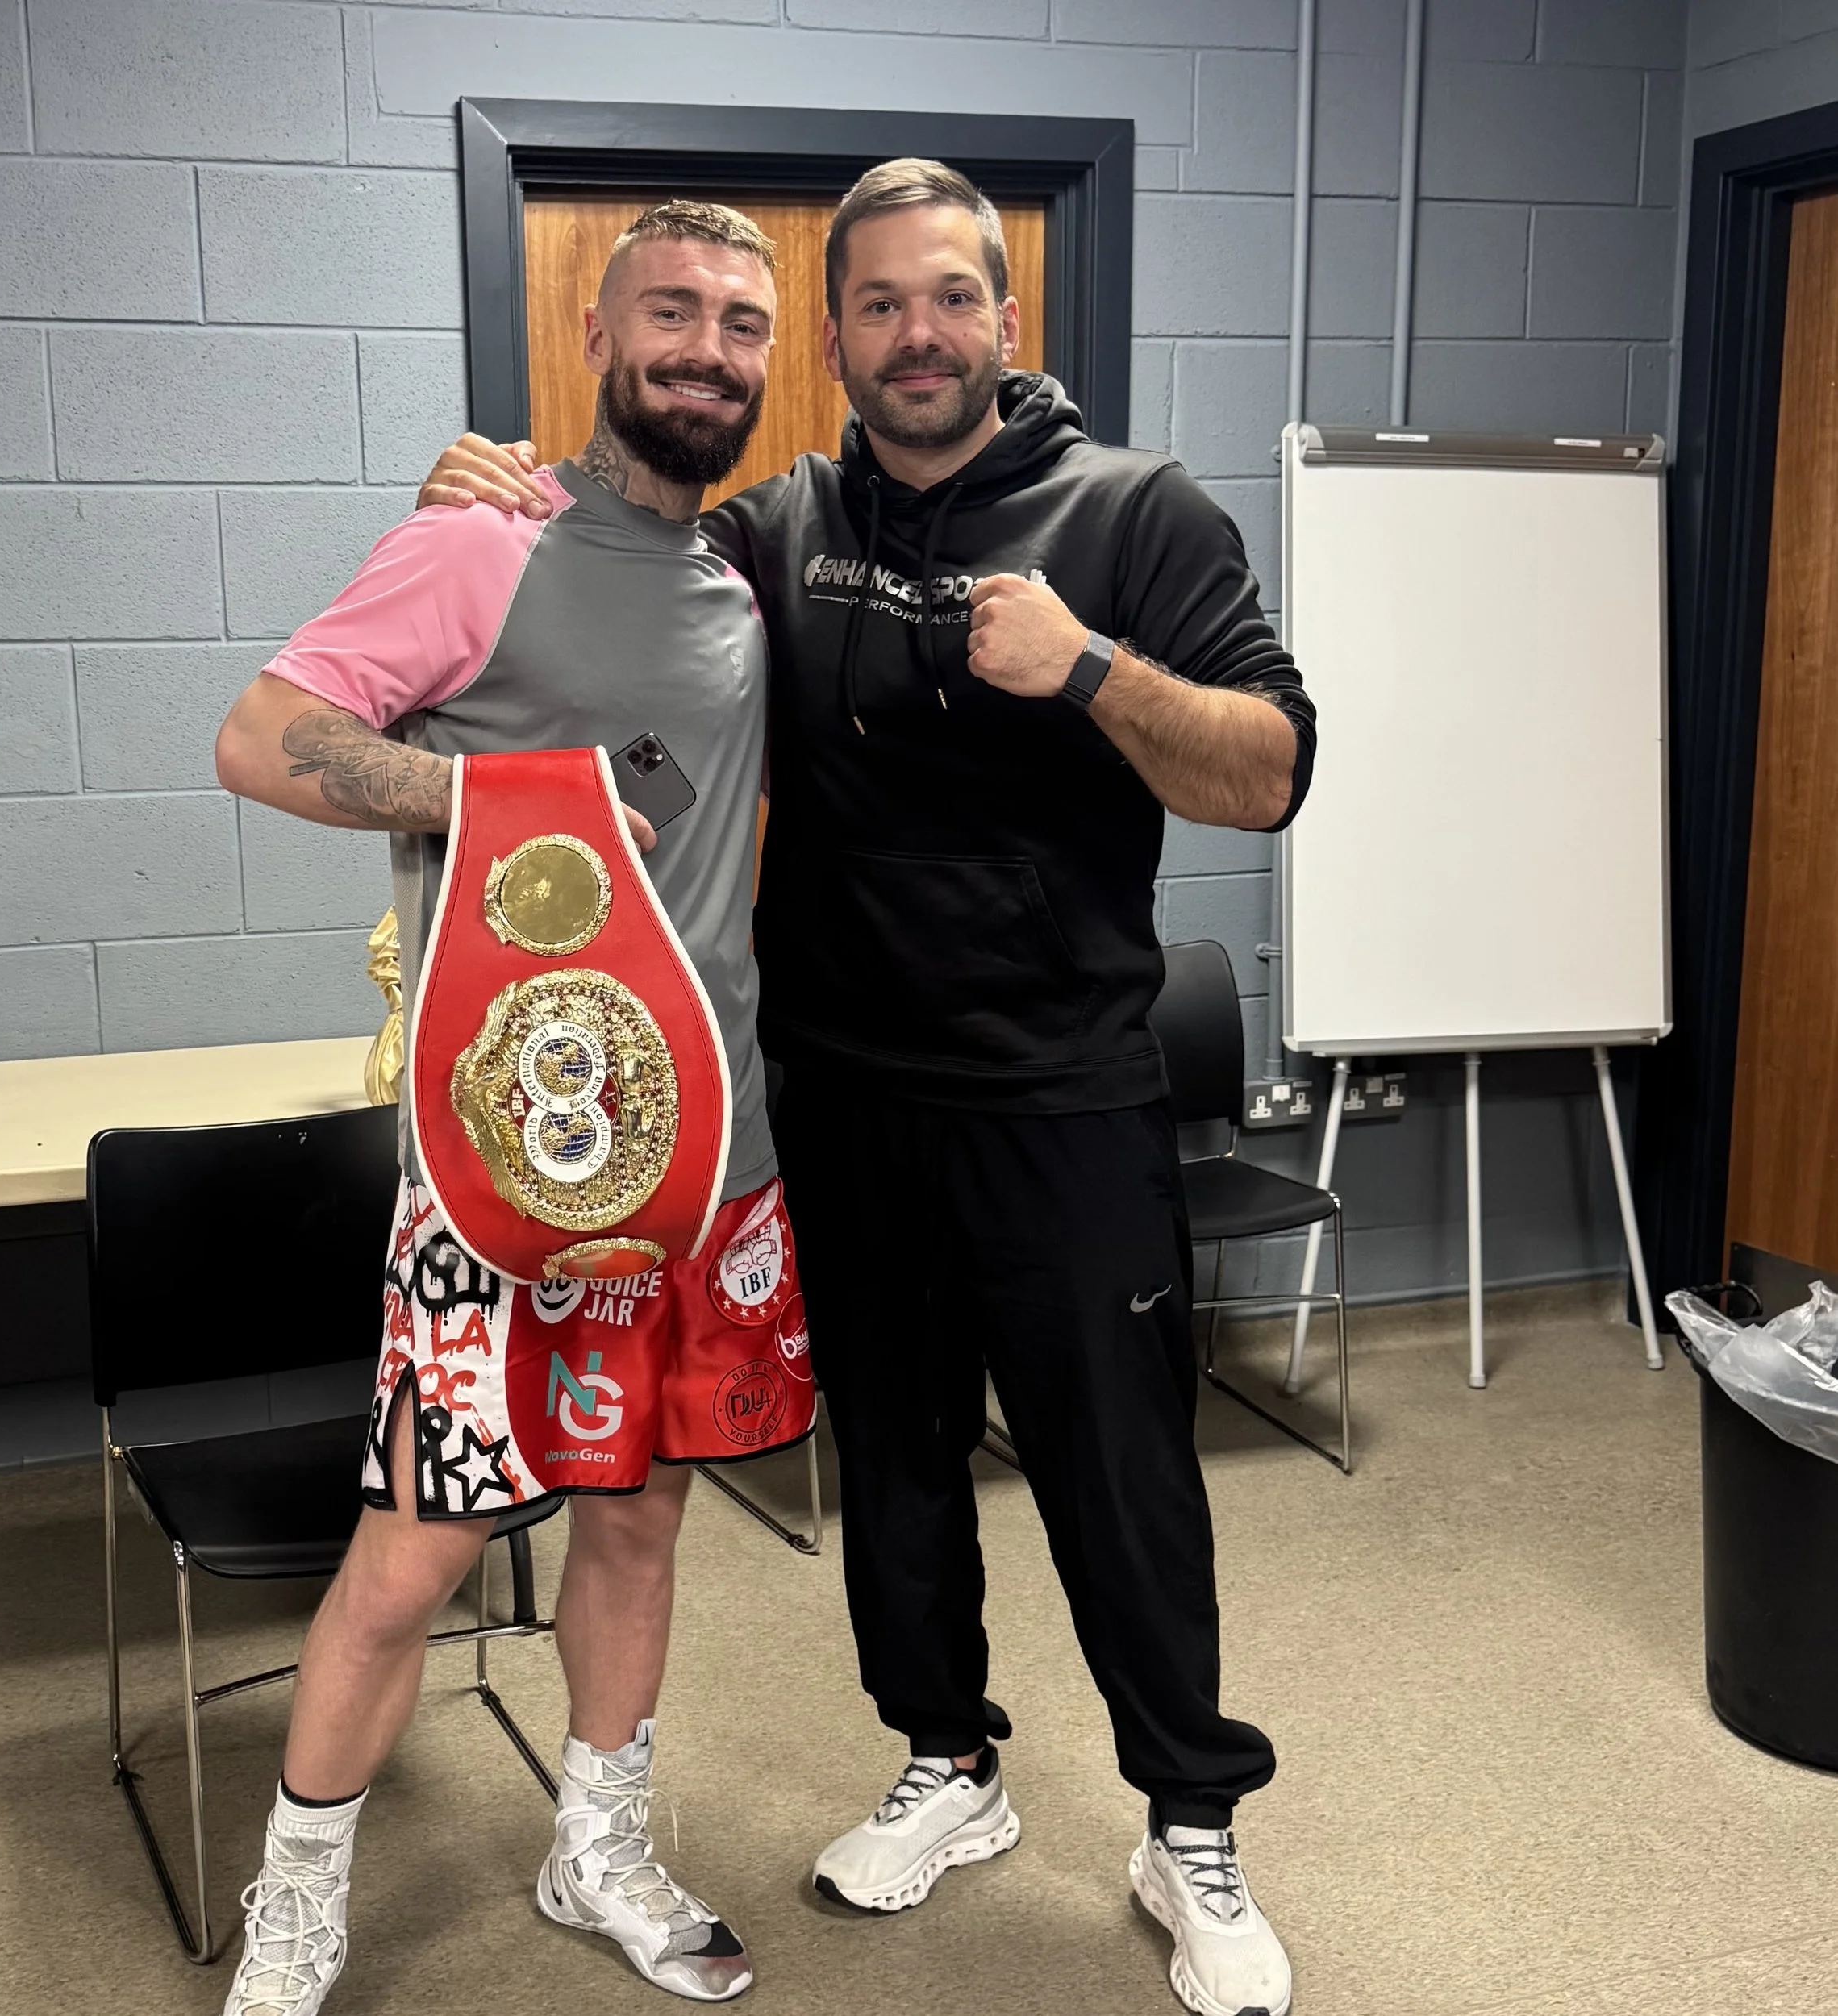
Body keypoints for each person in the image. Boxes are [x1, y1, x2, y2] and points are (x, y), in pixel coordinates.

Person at [419, 159, 1317, 2016]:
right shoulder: (782, 521)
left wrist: (1085, 672)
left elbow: (1266, 769)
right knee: (896, 1469)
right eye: (880, 306)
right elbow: (618, 554)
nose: (918, 334)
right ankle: (948, 1762)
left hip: (1064, 1093)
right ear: (836, 342)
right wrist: (483, 493)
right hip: (840, 1091)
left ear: (1007, 318)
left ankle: (1186, 1816)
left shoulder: (1133, 513)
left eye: (950, 299)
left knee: (1117, 1471)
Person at [210, 200, 815, 2014]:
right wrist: (503, 795)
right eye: (672, 312)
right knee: (417, 1547)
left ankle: (595, 1840)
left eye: (739, 321)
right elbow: (260, 735)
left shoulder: (745, 577)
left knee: (636, 1517)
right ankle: (297, 1892)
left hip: (703, 1160)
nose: (705, 347)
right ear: (595, 325)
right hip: (499, 1171)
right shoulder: (479, 541)